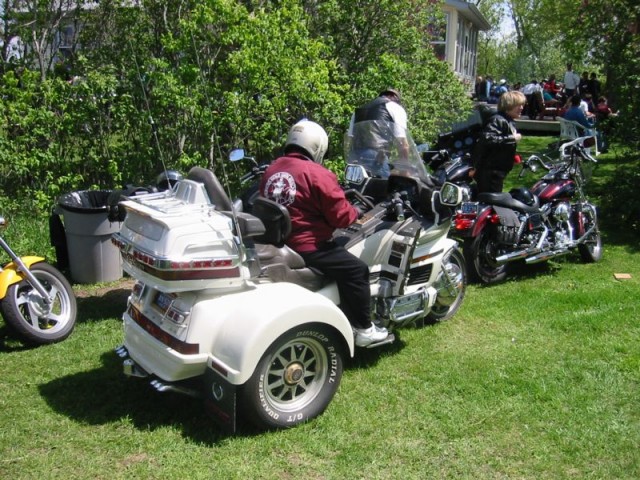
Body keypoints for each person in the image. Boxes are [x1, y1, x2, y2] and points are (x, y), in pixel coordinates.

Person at [259, 119, 389, 347]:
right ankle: (364, 329)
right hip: (309, 245)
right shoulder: (316, 173)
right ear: (317, 146)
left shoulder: (273, 168)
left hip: (282, 241)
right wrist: (356, 211)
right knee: (357, 270)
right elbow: (341, 217)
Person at [470, 91, 526, 194]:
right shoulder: (498, 120)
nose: (522, 108)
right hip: (490, 172)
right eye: (518, 105)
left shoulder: (506, 120)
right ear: (508, 105)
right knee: (490, 199)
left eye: (522, 105)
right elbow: (487, 139)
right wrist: (512, 138)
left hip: (496, 172)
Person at [346, 88, 409, 178]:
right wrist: (405, 170)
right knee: (385, 186)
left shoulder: (359, 110)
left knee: (356, 186)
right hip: (376, 157)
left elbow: (349, 138)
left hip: (355, 157)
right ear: (394, 97)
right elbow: (403, 144)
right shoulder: (394, 107)